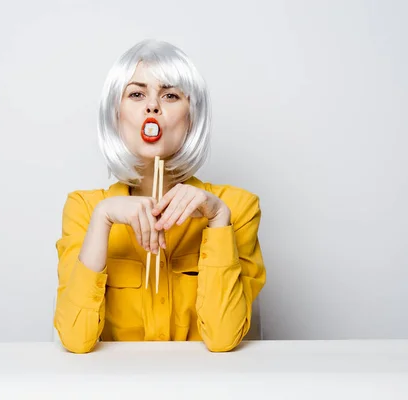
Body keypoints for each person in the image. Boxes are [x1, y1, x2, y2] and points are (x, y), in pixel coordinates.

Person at [54, 39, 266, 353]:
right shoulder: (85, 209)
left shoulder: (237, 207)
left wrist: (218, 219)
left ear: (192, 116)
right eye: (137, 94)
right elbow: (75, 340)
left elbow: (223, 339)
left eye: (170, 95)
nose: (153, 106)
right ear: (116, 114)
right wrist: (103, 218)